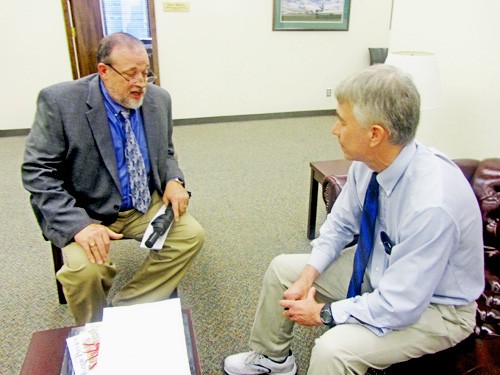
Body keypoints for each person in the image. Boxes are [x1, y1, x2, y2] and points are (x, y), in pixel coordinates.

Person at [224, 64, 484, 374]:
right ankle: (273, 358)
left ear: (375, 134)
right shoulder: (370, 163)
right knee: (284, 270)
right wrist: (309, 274)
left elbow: (399, 304)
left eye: (342, 121)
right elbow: (339, 224)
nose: (334, 129)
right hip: (383, 270)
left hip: (437, 308)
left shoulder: (431, 205)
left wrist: (324, 313)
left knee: (334, 351)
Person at [22, 32, 204, 325]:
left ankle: (127, 309)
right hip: (87, 211)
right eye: (131, 74)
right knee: (84, 271)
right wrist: (79, 225)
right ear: (103, 71)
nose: (140, 83)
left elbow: (167, 152)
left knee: (190, 236)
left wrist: (174, 180)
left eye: (146, 73)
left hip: (142, 204)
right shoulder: (60, 102)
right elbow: (38, 171)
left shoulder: (158, 98)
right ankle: (94, 328)